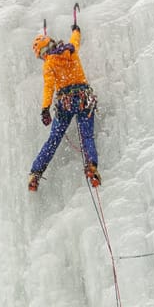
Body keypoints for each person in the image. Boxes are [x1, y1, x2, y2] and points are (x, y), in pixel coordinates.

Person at [30, 16, 99, 191]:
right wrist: (76, 30)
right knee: (87, 136)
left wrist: (45, 109)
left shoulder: (49, 64)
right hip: (84, 98)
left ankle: (36, 172)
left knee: (54, 139)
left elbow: (49, 87)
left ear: (43, 53)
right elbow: (75, 40)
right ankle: (91, 166)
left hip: (66, 103)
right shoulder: (72, 50)